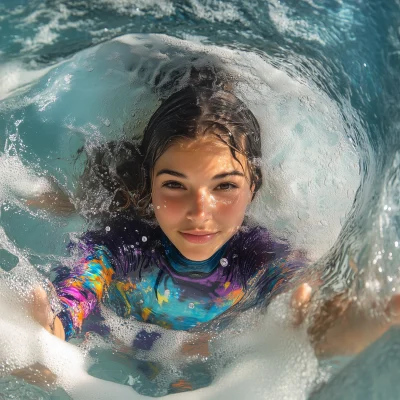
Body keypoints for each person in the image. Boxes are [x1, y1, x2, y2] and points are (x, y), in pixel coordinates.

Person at [22, 80, 400, 392]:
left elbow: (297, 294)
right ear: (149, 184)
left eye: (225, 187)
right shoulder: (119, 243)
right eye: (174, 185)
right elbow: (76, 291)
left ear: (254, 187)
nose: (200, 213)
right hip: (115, 355)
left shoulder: (258, 257)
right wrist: (48, 327)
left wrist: (331, 325)